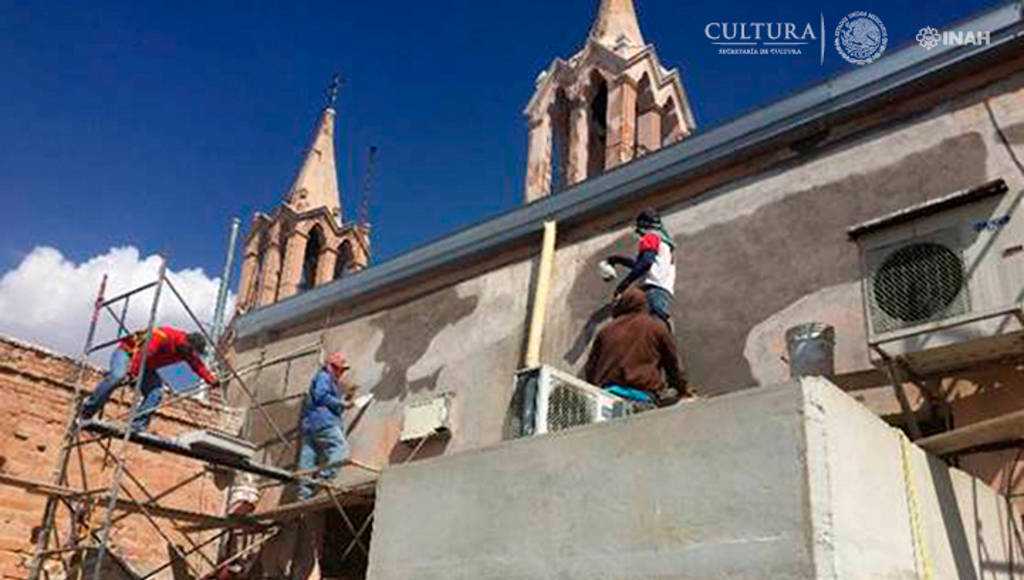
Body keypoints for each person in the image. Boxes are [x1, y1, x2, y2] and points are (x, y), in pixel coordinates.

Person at [80, 326, 220, 432]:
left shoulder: (187, 351)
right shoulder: (164, 336)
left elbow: (198, 366)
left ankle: (136, 425)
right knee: (117, 376)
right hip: (128, 354)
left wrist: (211, 379)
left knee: (157, 392)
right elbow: (144, 354)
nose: (191, 355)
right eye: (191, 351)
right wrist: (132, 373)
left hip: (147, 366)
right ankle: (87, 410)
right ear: (187, 343)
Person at [584, 288, 688, 408]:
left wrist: (594, 390)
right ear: (645, 305)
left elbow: (591, 368)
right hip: (642, 397)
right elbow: (673, 364)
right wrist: (681, 389)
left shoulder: (605, 331)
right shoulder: (656, 327)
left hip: (606, 398)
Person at [601, 208, 677, 326]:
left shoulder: (650, 237)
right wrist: (617, 259)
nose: (639, 234)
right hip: (663, 291)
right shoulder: (665, 245)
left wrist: (622, 286)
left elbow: (645, 264)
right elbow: (642, 265)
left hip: (651, 290)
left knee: (649, 326)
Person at [297, 352, 355, 501]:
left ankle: (304, 493)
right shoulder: (324, 376)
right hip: (323, 422)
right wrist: (341, 403)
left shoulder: (325, 379)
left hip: (311, 425)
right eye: (339, 369)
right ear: (330, 367)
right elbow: (321, 395)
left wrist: (343, 401)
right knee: (340, 449)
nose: (340, 373)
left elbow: (323, 400)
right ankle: (324, 479)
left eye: (342, 370)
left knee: (308, 459)